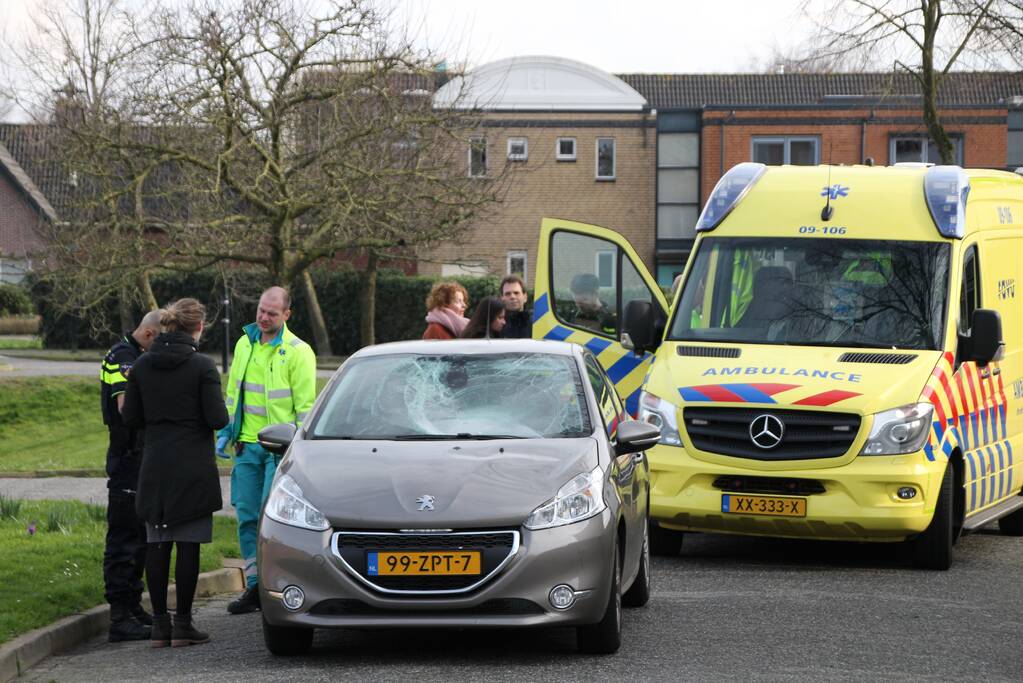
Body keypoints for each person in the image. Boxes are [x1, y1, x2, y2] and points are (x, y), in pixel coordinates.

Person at [122, 298, 229, 648]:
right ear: (199, 327)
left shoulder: (141, 366)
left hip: (155, 463)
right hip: (192, 465)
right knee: (188, 544)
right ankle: (183, 624)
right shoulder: (202, 367)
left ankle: (158, 625)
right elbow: (217, 419)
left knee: (157, 542)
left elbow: (131, 419)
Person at [217, 286, 317, 614]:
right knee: (246, 516)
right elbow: (234, 394)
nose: (263, 317)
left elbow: (305, 409)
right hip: (247, 447)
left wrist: (304, 451)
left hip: (280, 451)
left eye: (272, 313)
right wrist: (226, 431)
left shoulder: (298, 352)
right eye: (261, 310)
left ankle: (274, 585)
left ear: (286, 315)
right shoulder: (245, 343)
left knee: (269, 520)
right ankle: (254, 585)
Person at [100, 310, 162, 642]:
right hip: (127, 460)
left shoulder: (134, 354)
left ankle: (134, 607)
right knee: (124, 539)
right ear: (150, 334)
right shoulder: (123, 358)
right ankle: (120, 616)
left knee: (139, 538)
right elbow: (125, 409)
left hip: (138, 459)